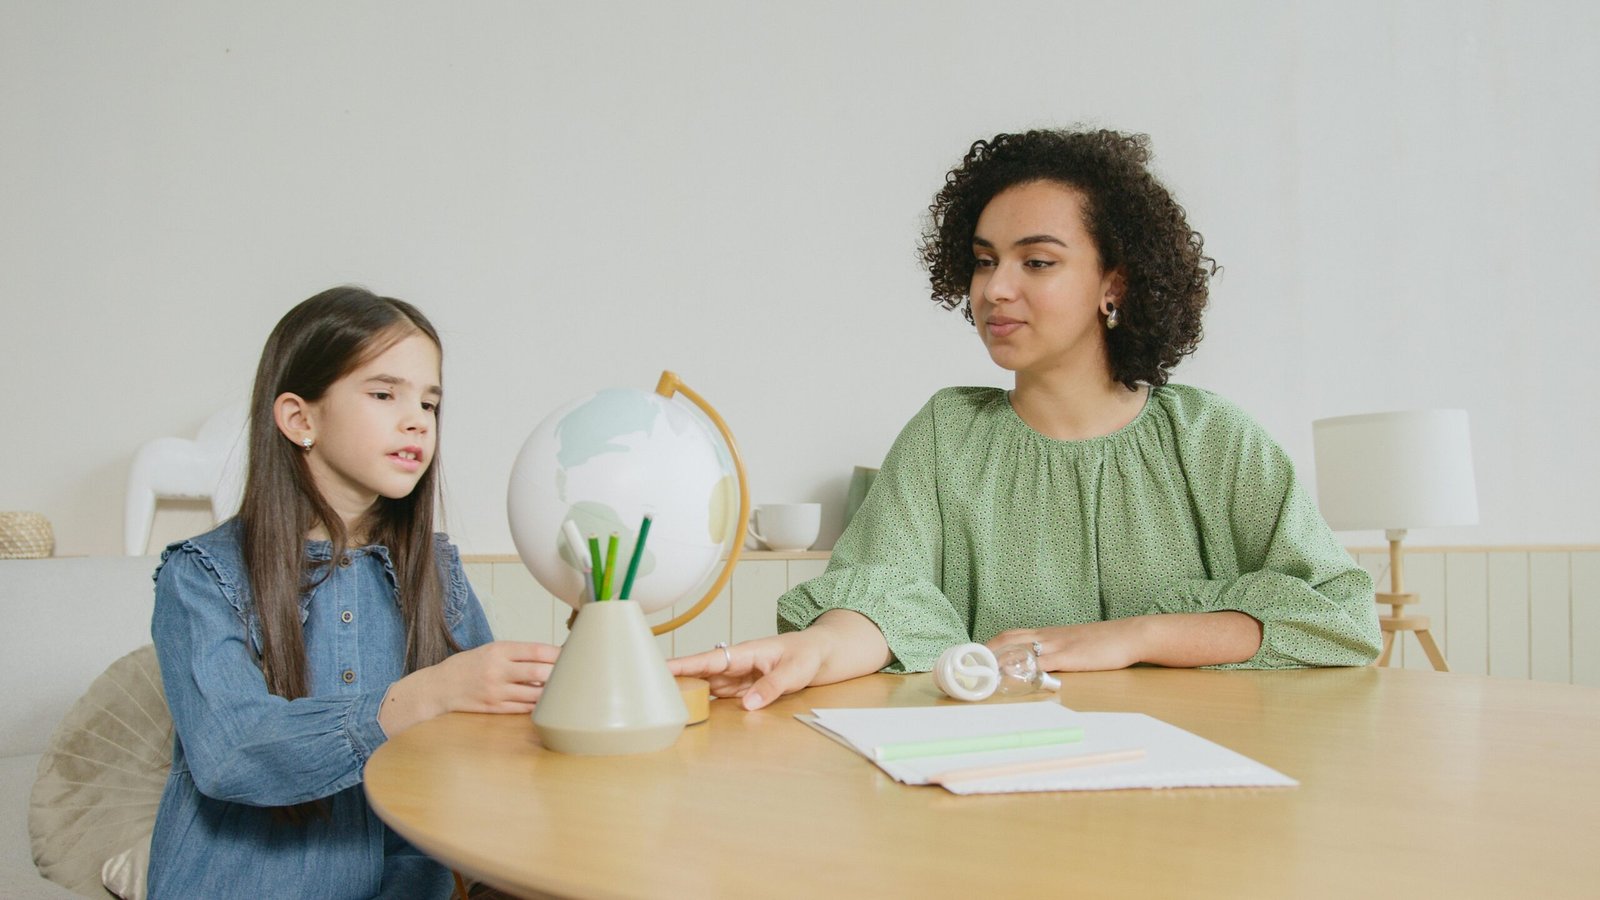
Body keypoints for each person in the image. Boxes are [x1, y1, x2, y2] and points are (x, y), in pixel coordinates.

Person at [672, 128, 1381, 710]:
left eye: (1036, 261)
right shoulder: (947, 435)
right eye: (984, 262)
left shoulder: (1212, 441)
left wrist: (1133, 636)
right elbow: (884, 595)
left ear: (1115, 283)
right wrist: (813, 650)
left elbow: (1340, 617)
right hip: (994, 795)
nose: (995, 289)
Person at [148, 287, 559, 899]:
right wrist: (424, 696)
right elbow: (232, 750)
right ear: (299, 418)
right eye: (384, 393)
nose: (418, 418)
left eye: (430, 401)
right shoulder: (202, 575)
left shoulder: (435, 572)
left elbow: (487, 751)